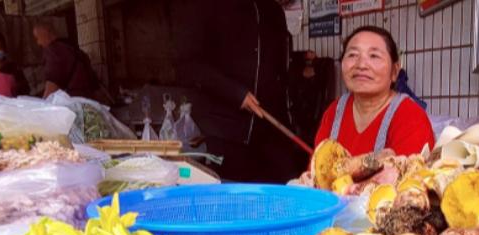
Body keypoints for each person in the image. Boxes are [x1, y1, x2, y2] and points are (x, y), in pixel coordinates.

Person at [173, 0, 302, 183]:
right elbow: (188, 66)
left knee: (286, 192)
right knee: (234, 197)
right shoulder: (206, 5)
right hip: (226, 131)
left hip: (271, 129)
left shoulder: (273, 11)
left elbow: (280, 74)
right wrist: (235, 93)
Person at [315, 27, 435, 157]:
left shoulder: (411, 117)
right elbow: (317, 170)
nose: (361, 65)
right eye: (352, 55)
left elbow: (410, 174)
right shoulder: (334, 112)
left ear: (394, 71)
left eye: (374, 56)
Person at [32, 23, 104, 102]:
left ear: (46, 33)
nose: (38, 43)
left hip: (73, 102)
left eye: (37, 38)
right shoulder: (73, 48)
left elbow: (53, 84)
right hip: (90, 100)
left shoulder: (54, 50)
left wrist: (43, 106)